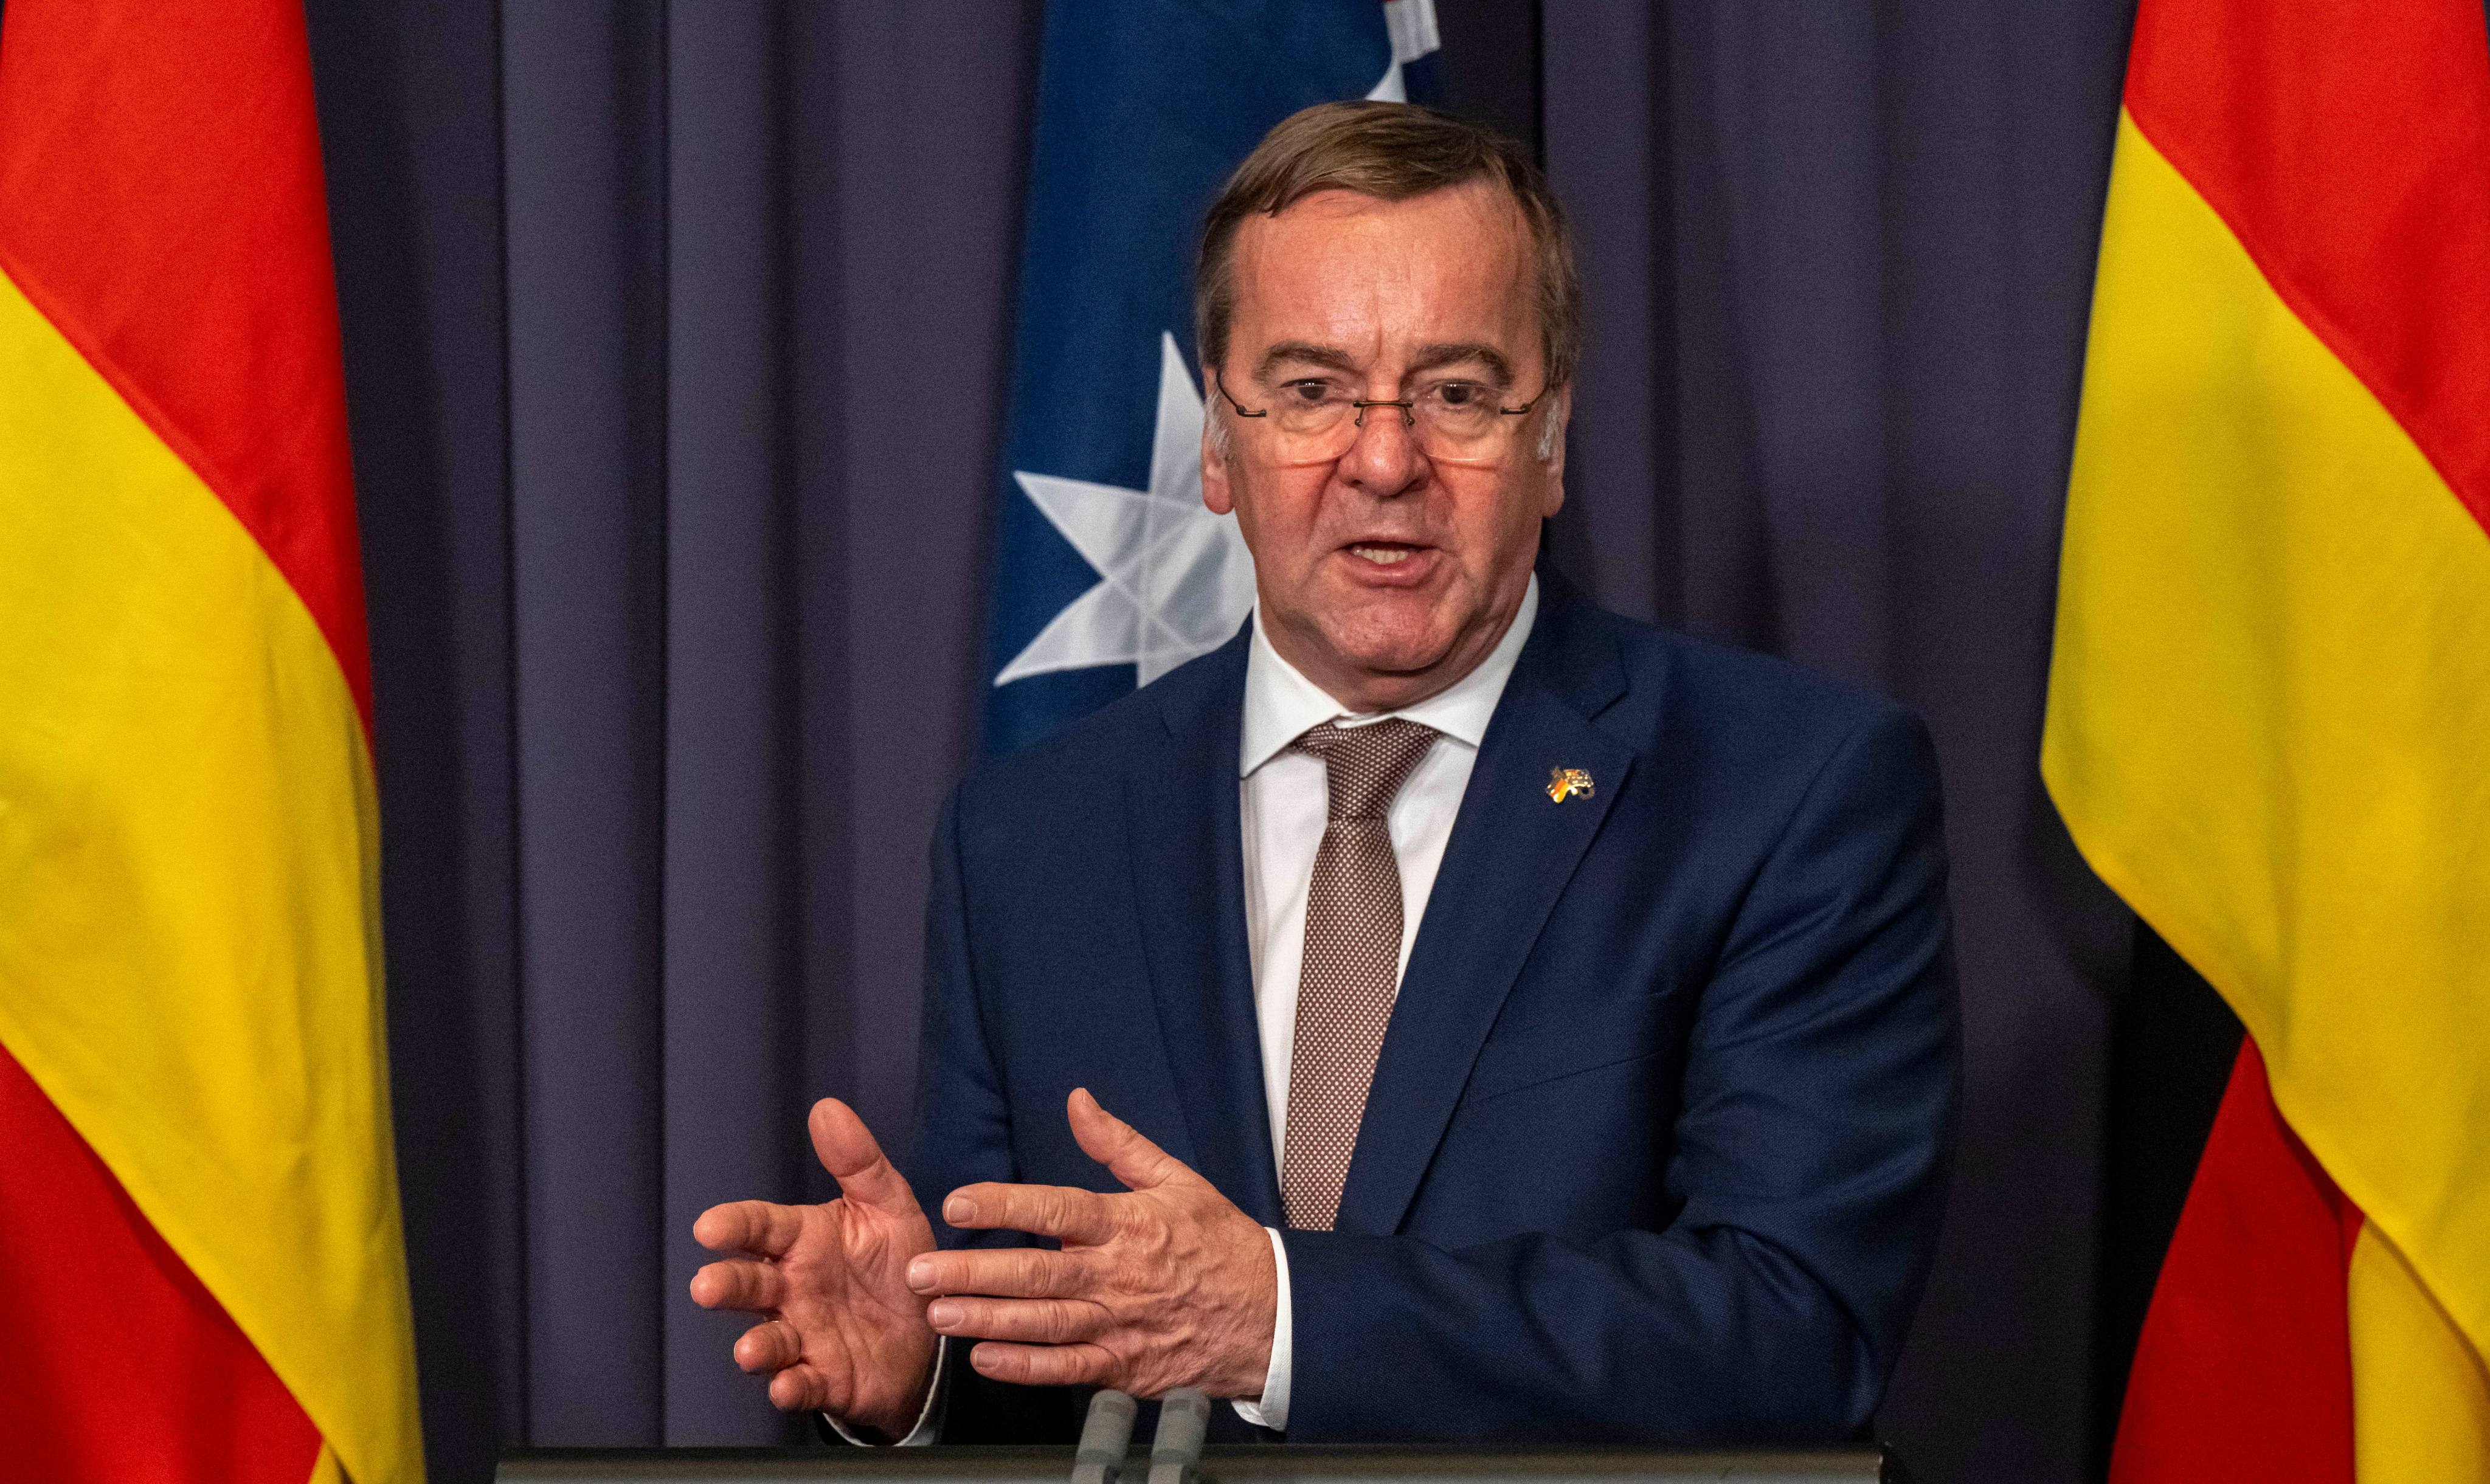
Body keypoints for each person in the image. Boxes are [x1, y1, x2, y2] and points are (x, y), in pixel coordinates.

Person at [688, 102, 1959, 1446]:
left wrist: (1279, 1317)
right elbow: (1058, 1372)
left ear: (1552, 438)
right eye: (1308, 391)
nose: (1384, 459)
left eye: (1457, 391)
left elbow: (1791, 1331)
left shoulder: (1787, 790)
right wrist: (926, 1371)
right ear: (1217, 444)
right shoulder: (1025, 840)